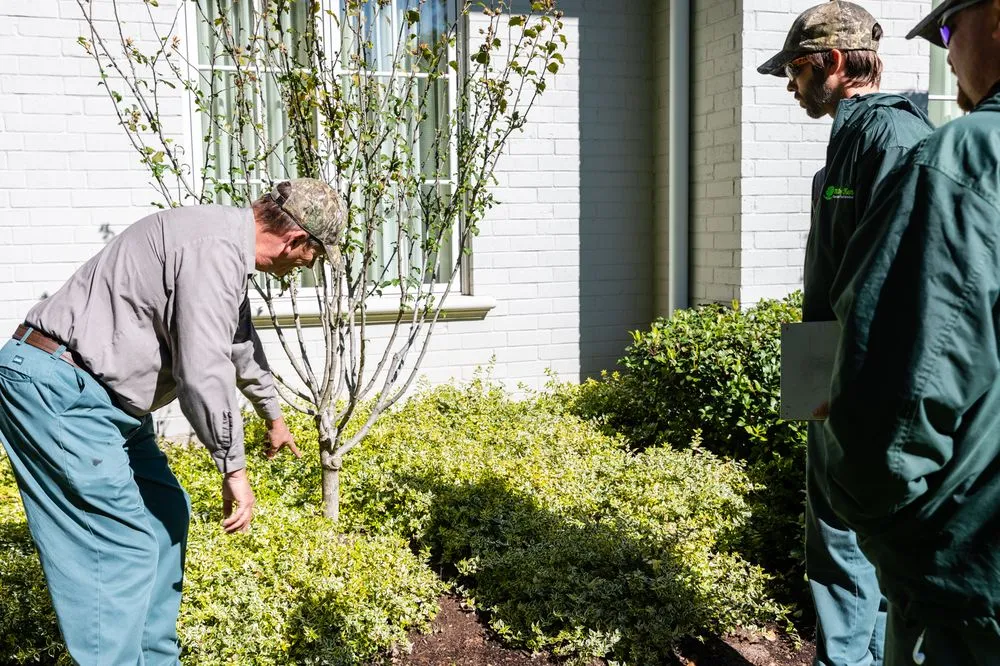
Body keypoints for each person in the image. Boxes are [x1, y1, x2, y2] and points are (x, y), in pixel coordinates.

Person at [0, 178, 345, 665]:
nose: (307, 267)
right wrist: (234, 470)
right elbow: (203, 372)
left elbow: (238, 342)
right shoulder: (213, 251)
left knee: (165, 514)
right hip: (60, 389)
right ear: (294, 240)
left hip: (105, 400)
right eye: (313, 256)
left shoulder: (226, 248)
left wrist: (274, 416)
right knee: (119, 549)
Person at [823, 0, 1000, 662]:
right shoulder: (848, 143)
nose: (946, 53)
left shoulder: (949, 156)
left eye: (951, 31)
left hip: (968, 594)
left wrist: (902, 542)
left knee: (840, 542)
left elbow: (888, 413)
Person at [757, 3, 934, 665]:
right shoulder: (852, 140)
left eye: (797, 69)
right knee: (835, 543)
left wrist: (866, 383)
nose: (791, 84)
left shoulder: (890, 138)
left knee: (858, 545)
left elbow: (907, 277)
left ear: (834, 63)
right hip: (826, 365)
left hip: (862, 378)